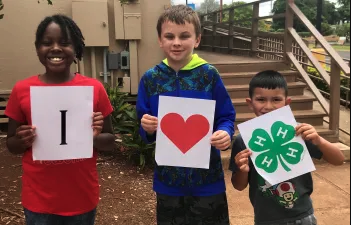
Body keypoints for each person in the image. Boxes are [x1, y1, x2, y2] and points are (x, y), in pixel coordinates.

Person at [5, 14, 115, 225]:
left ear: (76, 49)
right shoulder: (22, 90)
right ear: (37, 48)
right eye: (47, 43)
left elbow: (110, 142)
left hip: (82, 198)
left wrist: (92, 137)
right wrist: (21, 140)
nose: (55, 48)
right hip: (39, 201)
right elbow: (11, 144)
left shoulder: (94, 89)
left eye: (64, 43)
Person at [136, 5, 236, 225]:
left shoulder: (209, 75)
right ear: (160, 40)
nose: (177, 42)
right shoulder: (151, 79)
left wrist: (224, 132)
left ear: (197, 39)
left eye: (184, 36)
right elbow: (142, 125)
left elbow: (226, 116)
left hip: (208, 181)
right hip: (168, 183)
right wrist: (147, 127)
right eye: (169, 36)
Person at [229, 70, 345, 225]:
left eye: (276, 99)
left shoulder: (299, 132)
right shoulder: (243, 140)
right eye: (261, 99)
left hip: (304, 215)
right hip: (266, 219)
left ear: (287, 102)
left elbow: (339, 160)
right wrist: (242, 170)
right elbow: (239, 185)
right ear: (250, 103)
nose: (268, 106)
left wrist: (319, 140)